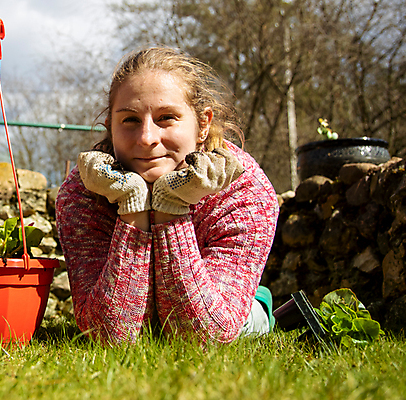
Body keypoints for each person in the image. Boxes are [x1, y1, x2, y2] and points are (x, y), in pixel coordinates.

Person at [55, 47, 279, 344]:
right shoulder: (81, 193)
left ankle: (261, 305)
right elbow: (108, 334)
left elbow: (207, 333)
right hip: (140, 308)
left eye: (166, 118)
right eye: (130, 120)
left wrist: (171, 205)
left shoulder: (244, 189)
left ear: (203, 125)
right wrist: (133, 205)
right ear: (110, 126)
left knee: (247, 321)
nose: (147, 138)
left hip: (222, 299)